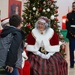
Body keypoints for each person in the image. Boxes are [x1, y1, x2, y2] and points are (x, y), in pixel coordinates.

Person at [66, 2, 75, 68]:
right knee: (71, 50)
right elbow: (68, 26)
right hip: (71, 35)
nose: (74, 7)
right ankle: (72, 63)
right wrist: (72, 33)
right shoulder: (69, 15)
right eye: (73, 6)